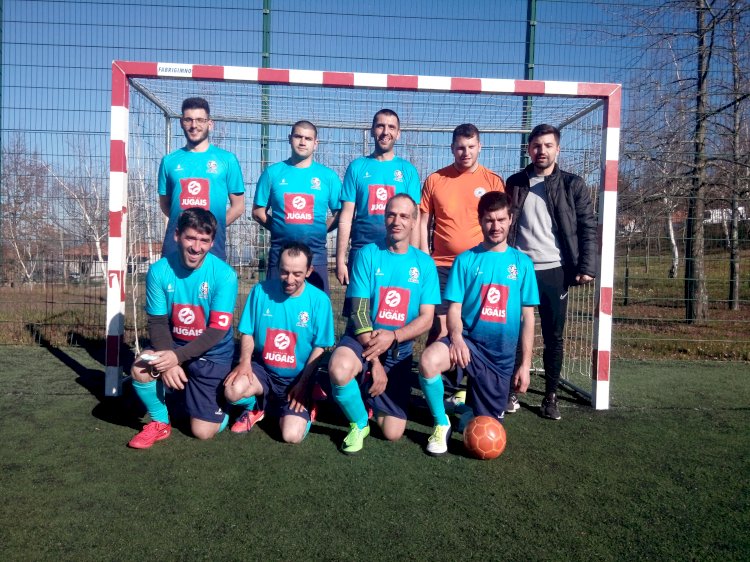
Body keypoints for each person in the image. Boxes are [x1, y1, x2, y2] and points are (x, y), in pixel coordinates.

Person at [418, 192, 538, 455]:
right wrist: (457, 337)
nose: (495, 226)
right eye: (488, 220)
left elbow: (528, 317)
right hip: (468, 342)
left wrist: (525, 365)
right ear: (480, 221)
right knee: (428, 361)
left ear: (510, 220)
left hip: (500, 356)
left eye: (500, 220)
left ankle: (470, 408)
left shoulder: (522, 263)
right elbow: (454, 307)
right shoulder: (465, 260)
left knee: (487, 425)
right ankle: (441, 423)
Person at [327, 194, 440, 454]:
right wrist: (375, 361)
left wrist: (395, 336)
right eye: (391, 215)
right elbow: (359, 312)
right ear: (384, 217)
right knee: (339, 367)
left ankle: (364, 393)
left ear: (414, 222)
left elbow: (427, 318)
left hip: (398, 349)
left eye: (403, 216)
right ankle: (358, 423)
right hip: (361, 340)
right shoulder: (367, 254)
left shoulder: (424, 263)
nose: (396, 221)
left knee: (392, 432)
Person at [506, 124, 598, 420]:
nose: (541, 151)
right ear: (528, 149)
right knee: (513, 331)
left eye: (547, 145)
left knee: (553, 336)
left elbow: (586, 226)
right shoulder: (516, 182)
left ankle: (550, 396)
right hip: (519, 270)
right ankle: (510, 390)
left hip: (554, 270)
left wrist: (586, 266)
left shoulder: (573, 184)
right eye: (535, 145)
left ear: (558, 149)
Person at [128, 208, 238, 449]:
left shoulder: (225, 275)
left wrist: (174, 359)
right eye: (191, 238)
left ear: (211, 243)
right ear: (177, 235)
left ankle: (229, 404)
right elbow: (157, 322)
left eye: (204, 240)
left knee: (202, 432)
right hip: (174, 346)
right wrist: (169, 358)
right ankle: (160, 422)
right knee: (139, 368)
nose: (196, 247)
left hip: (212, 352)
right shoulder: (159, 271)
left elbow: (217, 331)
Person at [223, 241, 334, 444]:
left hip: (297, 378)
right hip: (263, 371)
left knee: (291, 436)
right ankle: (256, 406)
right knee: (232, 391)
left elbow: (320, 346)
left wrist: (303, 383)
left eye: (297, 274)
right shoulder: (260, 291)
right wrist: (245, 361)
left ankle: (308, 404)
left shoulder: (320, 301)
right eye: (284, 272)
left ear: (309, 271)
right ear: (277, 267)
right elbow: (247, 331)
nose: (289, 279)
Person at [419, 123, 505, 345]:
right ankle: (437, 377)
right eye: (460, 148)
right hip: (442, 266)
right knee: (441, 328)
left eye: (471, 147)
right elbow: (423, 220)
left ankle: (470, 374)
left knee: (475, 324)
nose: (466, 152)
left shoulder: (492, 180)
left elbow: (499, 223)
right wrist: (424, 255)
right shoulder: (436, 179)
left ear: (480, 147)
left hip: (479, 265)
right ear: (452, 148)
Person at [252, 121, 342, 293]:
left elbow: (340, 215)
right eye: (298, 136)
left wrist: (321, 229)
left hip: (316, 254)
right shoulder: (272, 173)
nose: (302, 142)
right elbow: (258, 212)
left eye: (308, 138)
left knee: (316, 309)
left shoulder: (328, 177)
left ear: (315, 143)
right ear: (289, 139)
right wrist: (279, 228)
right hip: (280, 254)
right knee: (274, 308)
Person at [335, 109, 421, 289]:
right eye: (380, 126)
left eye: (391, 127)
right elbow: (345, 218)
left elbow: (415, 219)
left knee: (394, 310)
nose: (385, 132)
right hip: (362, 251)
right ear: (373, 129)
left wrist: (413, 258)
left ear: (398, 133)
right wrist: (340, 260)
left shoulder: (408, 170)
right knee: (359, 313)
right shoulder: (357, 167)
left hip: (397, 253)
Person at [158, 97, 245, 261]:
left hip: (211, 246)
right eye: (188, 120)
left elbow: (238, 207)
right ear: (181, 122)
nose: (194, 125)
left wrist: (206, 229)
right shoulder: (169, 161)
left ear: (210, 124)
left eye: (200, 120)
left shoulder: (227, 160)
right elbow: (165, 204)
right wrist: (187, 229)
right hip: (175, 246)